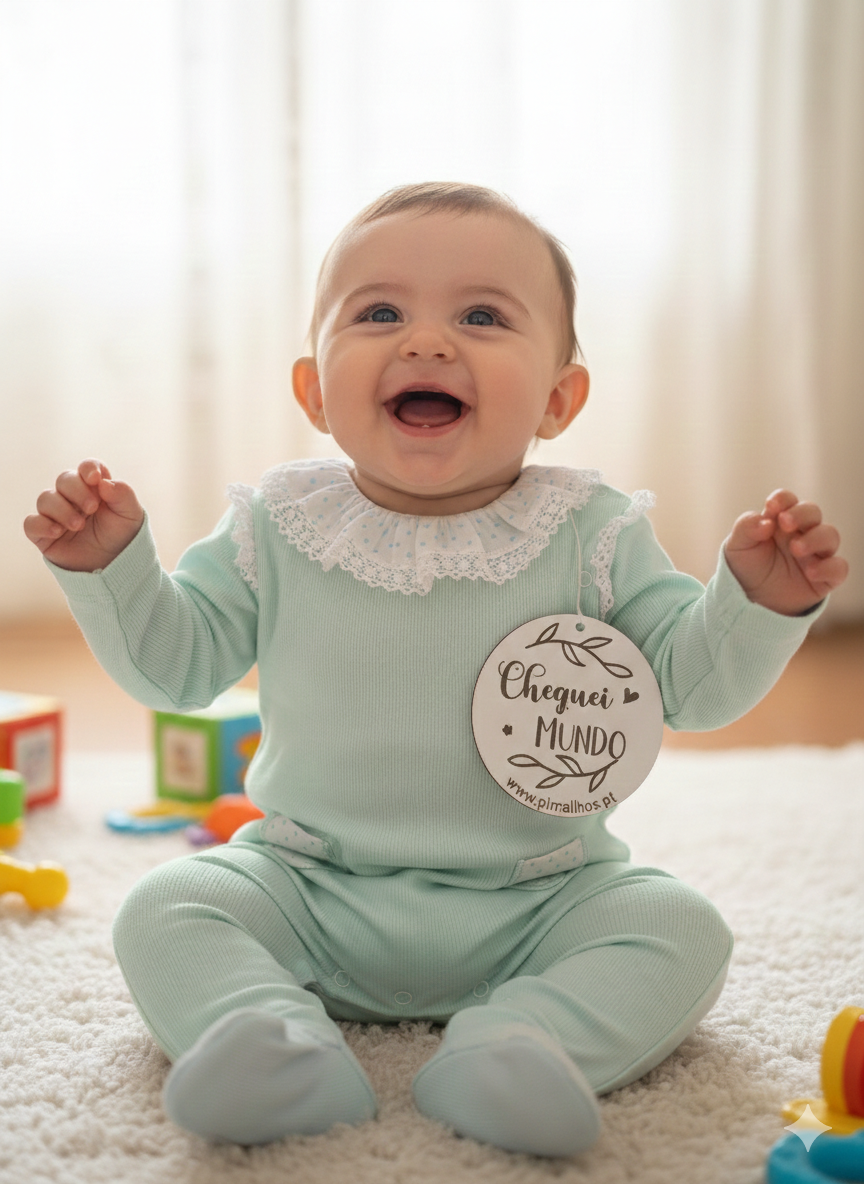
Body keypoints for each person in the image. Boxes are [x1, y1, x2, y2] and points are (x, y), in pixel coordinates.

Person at [24, 183, 847, 1158]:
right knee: (168, 905)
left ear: (558, 397)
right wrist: (112, 569)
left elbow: (692, 685)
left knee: (681, 924)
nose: (424, 341)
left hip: (542, 891)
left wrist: (754, 600)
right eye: (379, 312)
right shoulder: (277, 524)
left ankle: (523, 1042)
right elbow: (177, 667)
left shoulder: (594, 531)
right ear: (313, 390)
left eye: (481, 315)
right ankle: (271, 1041)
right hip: (308, 878)